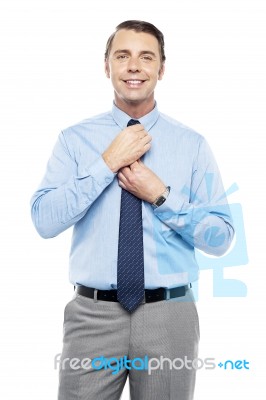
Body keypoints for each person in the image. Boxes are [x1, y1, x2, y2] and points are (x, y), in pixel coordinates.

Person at [30, 20, 234, 400]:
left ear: (162, 68)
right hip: (91, 316)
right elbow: (44, 220)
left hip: (169, 316)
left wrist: (161, 196)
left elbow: (221, 238)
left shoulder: (192, 144)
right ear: (106, 66)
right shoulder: (73, 141)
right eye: (122, 56)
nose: (134, 66)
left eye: (146, 57)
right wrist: (106, 164)